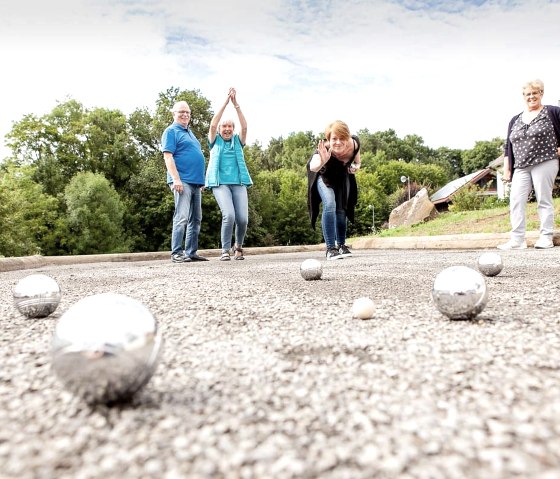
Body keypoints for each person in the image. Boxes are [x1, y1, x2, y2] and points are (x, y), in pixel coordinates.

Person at [498, 79, 560, 250]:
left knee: (543, 199)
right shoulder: (515, 119)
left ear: (541, 94)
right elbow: (508, 146)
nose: (531, 96)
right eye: (528, 94)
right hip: (521, 166)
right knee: (516, 200)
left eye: (535, 93)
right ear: (523, 97)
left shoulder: (553, 112)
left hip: (545, 161)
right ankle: (517, 239)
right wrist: (507, 169)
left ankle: (546, 237)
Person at [205, 88, 253, 261]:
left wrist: (236, 104)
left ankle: (238, 246)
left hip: (238, 183)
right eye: (223, 126)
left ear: (233, 129)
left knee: (242, 219)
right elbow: (212, 124)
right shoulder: (214, 141)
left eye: (229, 126)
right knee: (229, 215)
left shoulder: (238, 141)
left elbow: (245, 126)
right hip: (220, 183)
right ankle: (225, 249)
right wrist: (226, 102)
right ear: (219, 130)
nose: (226, 129)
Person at [161, 100, 209, 263]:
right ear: (174, 113)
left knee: (196, 218)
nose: (185, 114)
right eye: (181, 112)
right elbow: (168, 156)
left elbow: (194, 156)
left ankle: (191, 252)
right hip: (182, 180)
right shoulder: (171, 131)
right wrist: (176, 179)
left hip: (195, 182)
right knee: (181, 216)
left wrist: (201, 179)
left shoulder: (189, 132)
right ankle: (176, 252)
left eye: (187, 112)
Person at [307, 120, 361, 260]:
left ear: (347, 138)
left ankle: (341, 245)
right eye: (334, 139)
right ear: (328, 139)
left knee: (342, 210)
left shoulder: (354, 144)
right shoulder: (323, 149)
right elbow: (312, 167)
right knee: (330, 204)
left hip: (342, 178)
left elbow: (357, 161)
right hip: (324, 177)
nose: (337, 142)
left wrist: (356, 167)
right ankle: (330, 248)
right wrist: (322, 161)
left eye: (341, 138)